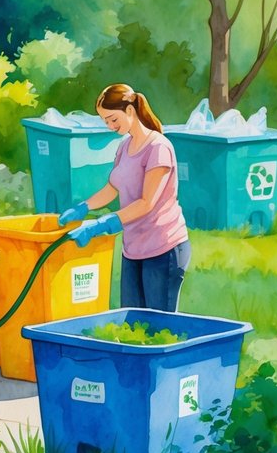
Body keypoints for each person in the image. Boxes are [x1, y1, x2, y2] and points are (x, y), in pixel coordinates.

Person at [58, 84, 190, 311]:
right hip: (133, 248)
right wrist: (83, 208)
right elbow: (112, 187)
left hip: (163, 247)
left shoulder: (159, 147)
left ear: (130, 110)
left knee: (161, 327)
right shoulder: (125, 146)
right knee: (131, 323)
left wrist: (101, 224)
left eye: (113, 119)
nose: (110, 127)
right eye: (105, 122)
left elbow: (146, 203)